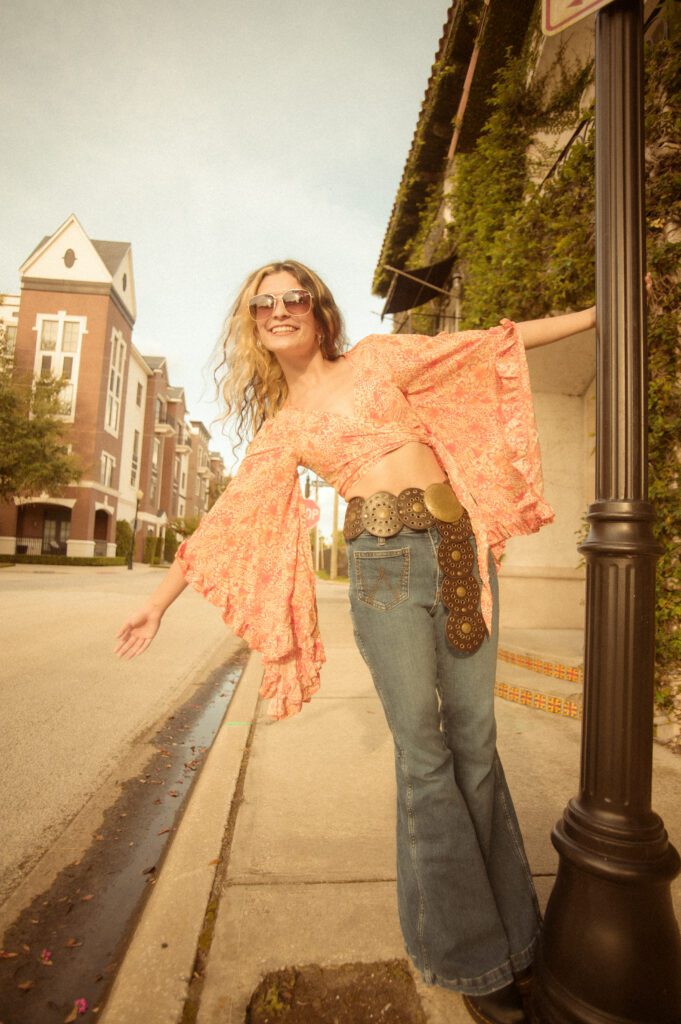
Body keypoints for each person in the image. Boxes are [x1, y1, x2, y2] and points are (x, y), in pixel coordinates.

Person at [115, 259, 596, 1024]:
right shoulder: (283, 432)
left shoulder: (377, 356)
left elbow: (486, 346)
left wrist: (597, 314)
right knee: (424, 758)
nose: (279, 309)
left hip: (456, 548)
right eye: (262, 303)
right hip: (383, 572)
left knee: (474, 742)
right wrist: (156, 603)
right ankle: (475, 964)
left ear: (317, 309)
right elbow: (226, 524)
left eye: (292, 296)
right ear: (253, 327)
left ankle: (518, 941)